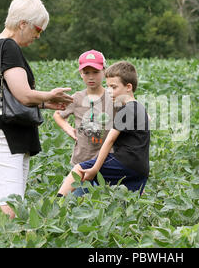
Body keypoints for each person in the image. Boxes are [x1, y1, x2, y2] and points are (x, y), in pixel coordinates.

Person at [0, 0, 73, 219]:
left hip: (11, 135)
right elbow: (23, 95)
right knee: (11, 210)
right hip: (4, 135)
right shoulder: (7, 46)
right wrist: (49, 94)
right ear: (23, 24)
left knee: (15, 205)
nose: (38, 36)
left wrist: (47, 103)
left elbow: (10, 95)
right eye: (38, 29)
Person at [57, 61, 150, 197]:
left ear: (128, 87)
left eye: (113, 87)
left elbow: (110, 140)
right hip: (141, 169)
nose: (110, 91)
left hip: (124, 162)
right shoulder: (139, 107)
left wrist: (95, 169)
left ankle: (56, 204)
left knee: (79, 169)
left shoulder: (125, 110)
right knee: (127, 203)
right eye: (108, 87)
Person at [53, 50, 115, 175]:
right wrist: (68, 128)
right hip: (81, 160)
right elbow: (58, 114)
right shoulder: (77, 98)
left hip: (108, 159)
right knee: (79, 193)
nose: (91, 77)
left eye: (96, 72)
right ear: (81, 73)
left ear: (104, 71)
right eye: (86, 73)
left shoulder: (113, 97)